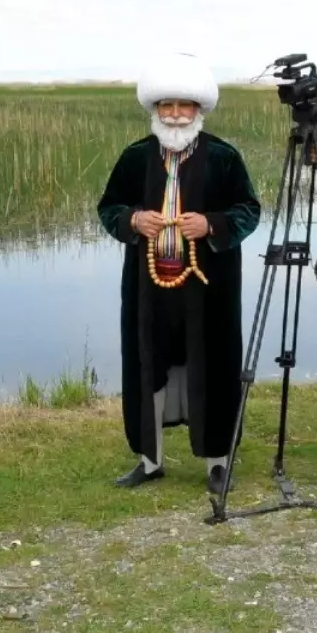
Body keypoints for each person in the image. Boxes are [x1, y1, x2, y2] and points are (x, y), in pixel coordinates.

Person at [97, 52, 261, 495]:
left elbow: (248, 210)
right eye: (165, 106)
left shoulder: (224, 157)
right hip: (149, 288)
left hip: (209, 289)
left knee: (215, 366)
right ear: (154, 110)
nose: (173, 115)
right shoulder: (135, 157)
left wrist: (211, 224)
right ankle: (149, 461)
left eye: (183, 106)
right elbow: (108, 207)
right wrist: (133, 220)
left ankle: (218, 461)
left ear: (198, 110)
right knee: (146, 365)